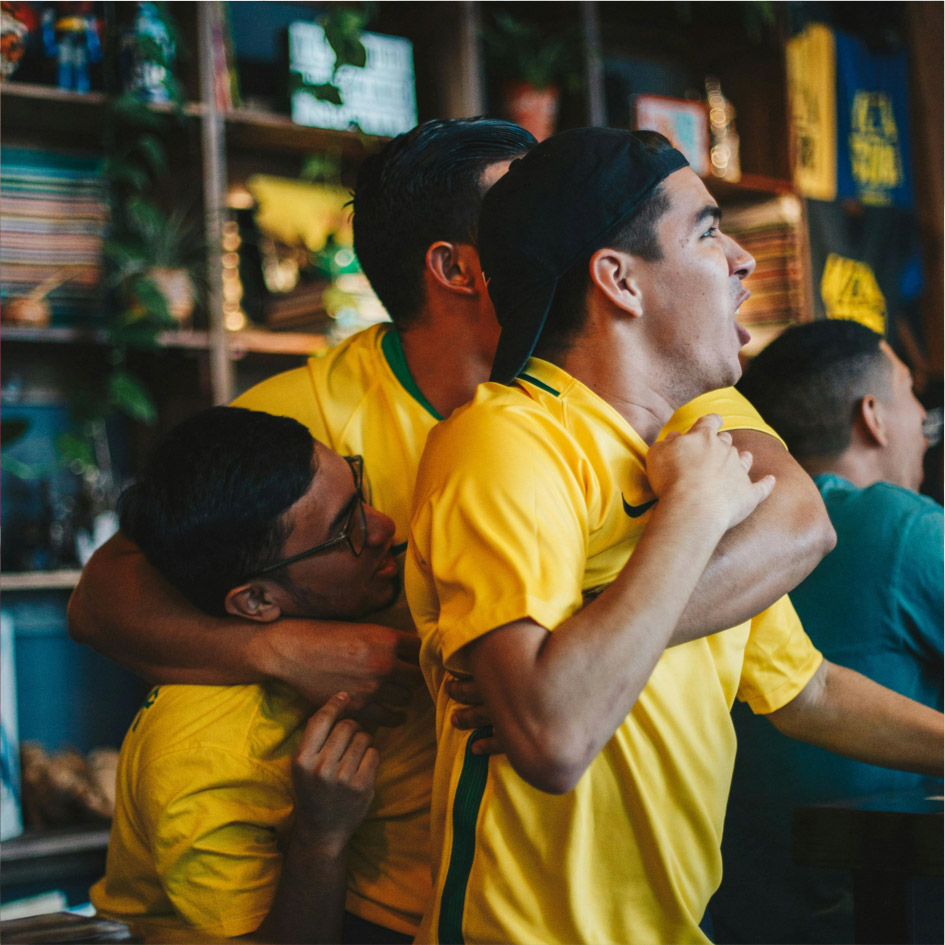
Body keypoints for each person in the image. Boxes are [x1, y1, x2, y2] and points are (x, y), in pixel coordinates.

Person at [69, 119, 833, 940]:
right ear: (458, 266)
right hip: (370, 891)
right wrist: (283, 650)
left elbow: (796, 522)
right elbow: (104, 598)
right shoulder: (307, 417)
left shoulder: (650, 372)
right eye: (524, 196)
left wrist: (564, 657)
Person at [404, 128, 944, 945]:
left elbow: (808, 692)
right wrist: (691, 513)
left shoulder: (686, 453)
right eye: (707, 231)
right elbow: (552, 736)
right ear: (618, 280)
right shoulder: (505, 440)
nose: (742, 259)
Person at [90, 406, 397, 943]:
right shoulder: (203, 760)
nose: (385, 525)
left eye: (359, 489)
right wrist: (321, 836)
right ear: (257, 601)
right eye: (346, 528)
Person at [710, 319, 944, 945]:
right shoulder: (900, 526)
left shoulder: (718, 535)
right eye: (910, 391)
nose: (927, 423)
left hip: (734, 914)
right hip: (878, 911)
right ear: (873, 417)